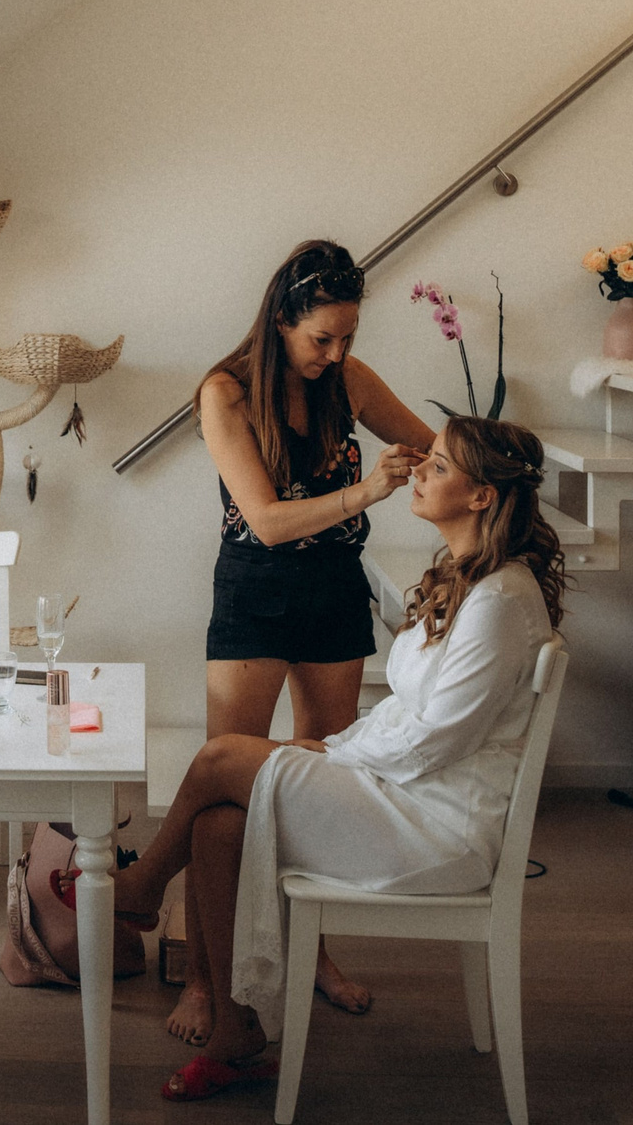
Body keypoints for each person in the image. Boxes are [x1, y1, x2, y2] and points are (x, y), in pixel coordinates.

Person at [109, 416, 568, 1102]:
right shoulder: (467, 578)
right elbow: (407, 712)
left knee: (216, 762)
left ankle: (139, 889)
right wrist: (336, 748)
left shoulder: (501, 600)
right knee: (217, 825)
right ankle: (237, 1034)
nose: (417, 471)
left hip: (438, 826)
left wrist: (329, 750)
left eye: (438, 466)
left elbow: (438, 736)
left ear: (481, 497)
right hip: (403, 791)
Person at [173, 239, 433, 1041]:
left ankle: (311, 952)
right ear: (282, 319)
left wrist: (479, 463)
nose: (338, 353)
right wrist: (368, 490)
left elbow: (432, 447)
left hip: (332, 593)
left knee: (319, 773)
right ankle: (200, 978)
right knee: (225, 790)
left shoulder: (347, 380)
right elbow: (268, 522)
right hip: (254, 591)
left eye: (348, 337)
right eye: (323, 337)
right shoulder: (224, 392)